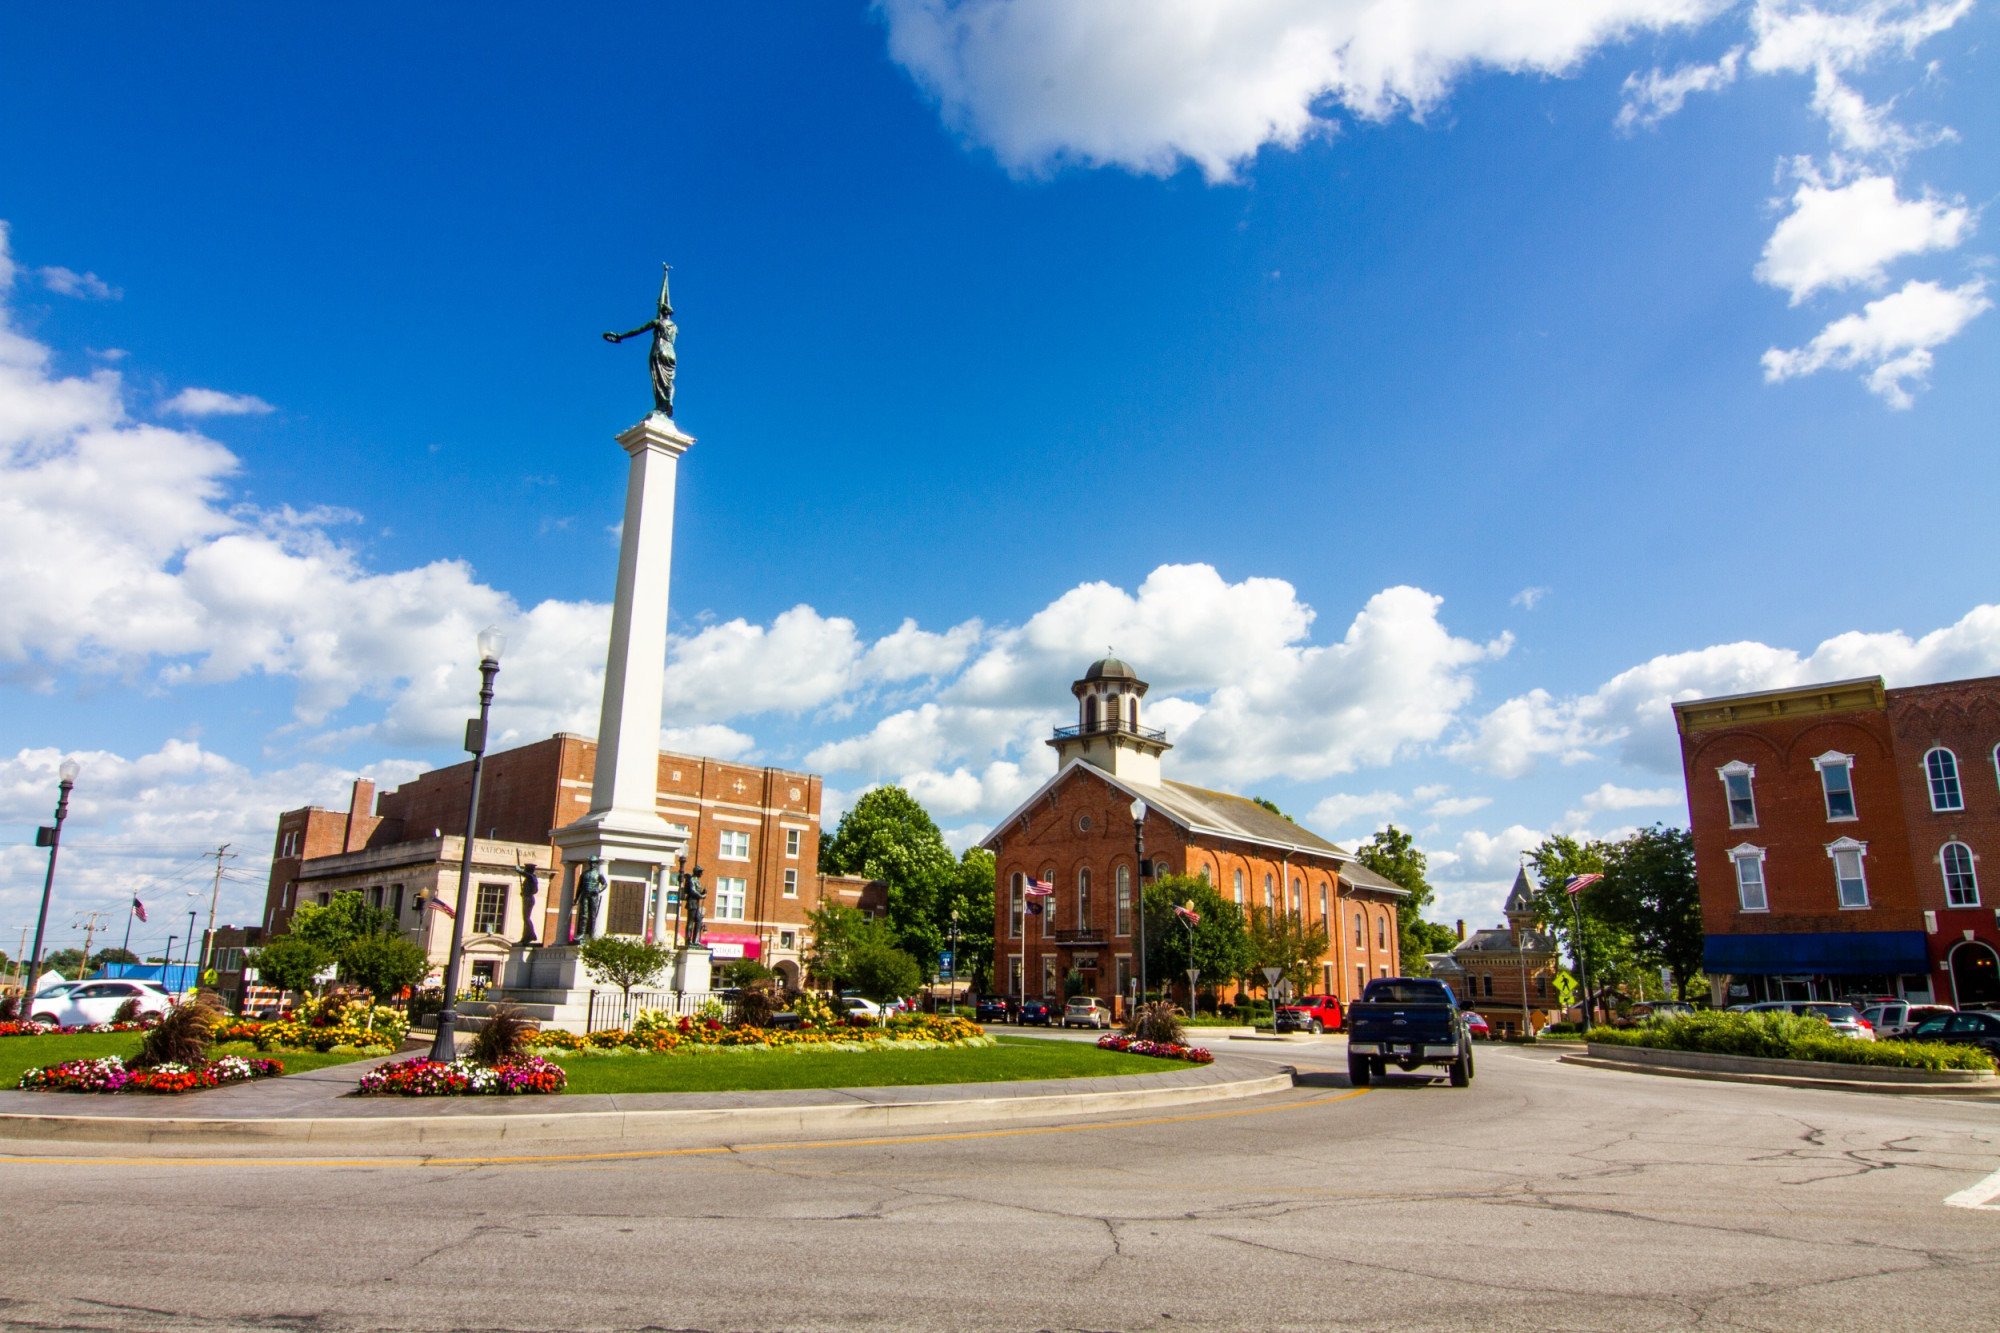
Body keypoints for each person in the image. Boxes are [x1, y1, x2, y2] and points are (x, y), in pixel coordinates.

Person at [603, 266, 678, 417]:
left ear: (662, 310)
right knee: (668, 382)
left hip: (660, 348)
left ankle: (660, 404)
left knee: (658, 379)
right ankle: (668, 399)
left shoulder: (657, 322)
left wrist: (620, 336)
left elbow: (637, 331)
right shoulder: (675, 327)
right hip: (671, 353)